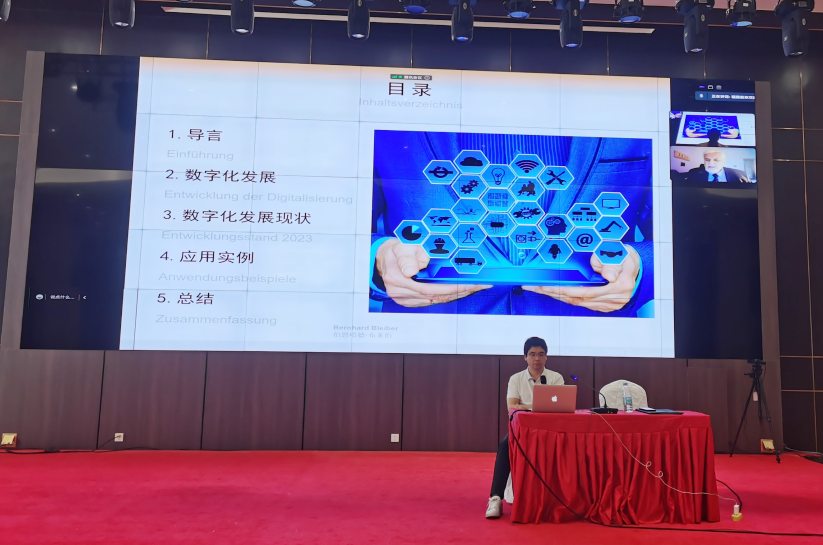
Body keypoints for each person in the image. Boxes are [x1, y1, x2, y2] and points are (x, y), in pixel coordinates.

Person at [485, 336, 564, 519]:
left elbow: (559, 407)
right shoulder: (516, 379)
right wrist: (539, 406)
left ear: (546, 357)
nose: (537, 358)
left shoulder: (555, 378)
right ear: (525, 357)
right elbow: (512, 408)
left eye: (541, 354)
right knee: (505, 445)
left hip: (550, 428)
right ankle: (496, 498)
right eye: (532, 354)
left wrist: (525, 406)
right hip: (522, 429)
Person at [686, 149, 752, 183]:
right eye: (707, 160)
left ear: (723, 162)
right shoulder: (693, 173)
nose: (711, 163)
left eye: (716, 160)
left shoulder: (741, 175)